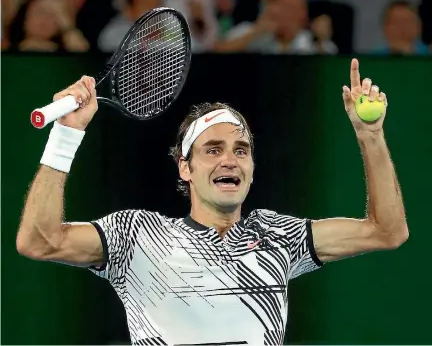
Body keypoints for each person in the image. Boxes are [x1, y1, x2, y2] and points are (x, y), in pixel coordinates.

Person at [17, 58, 409, 345]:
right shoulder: (134, 236)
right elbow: (39, 241)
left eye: (241, 150)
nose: (229, 159)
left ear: (252, 168)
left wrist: (370, 136)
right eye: (213, 150)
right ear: (185, 168)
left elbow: (387, 232)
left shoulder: (279, 237)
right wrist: (65, 136)